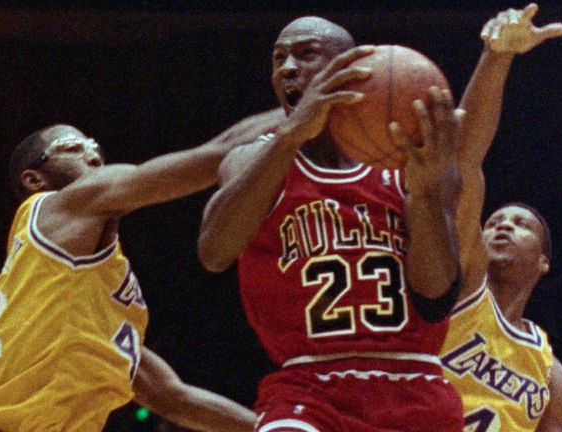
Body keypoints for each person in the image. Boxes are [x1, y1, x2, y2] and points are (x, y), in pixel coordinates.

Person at [198, 16, 465, 432]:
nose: (287, 68)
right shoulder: (251, 159)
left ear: (354, 71)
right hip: (308, 389)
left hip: (414, 384)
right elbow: (214, 253)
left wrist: (428, 193)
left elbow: (435, 296)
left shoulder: (410, 163)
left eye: (306, 55)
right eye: (278, 59)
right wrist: (290, 137)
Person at [0, 108, 283, 432]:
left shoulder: (70, 293)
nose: (93, 155)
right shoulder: (54, 207)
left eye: (95, 147)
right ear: (35, 179)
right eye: (73, 147)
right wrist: (302, 110)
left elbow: (172, 397)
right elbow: (216, 153)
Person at [438, 4, 562, 432]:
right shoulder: (465, 286)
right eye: (495, 219)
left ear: (543, 261)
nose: (502, 224)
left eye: (521, 224)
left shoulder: (551, 373)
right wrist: (498, 57)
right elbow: (464, 162)